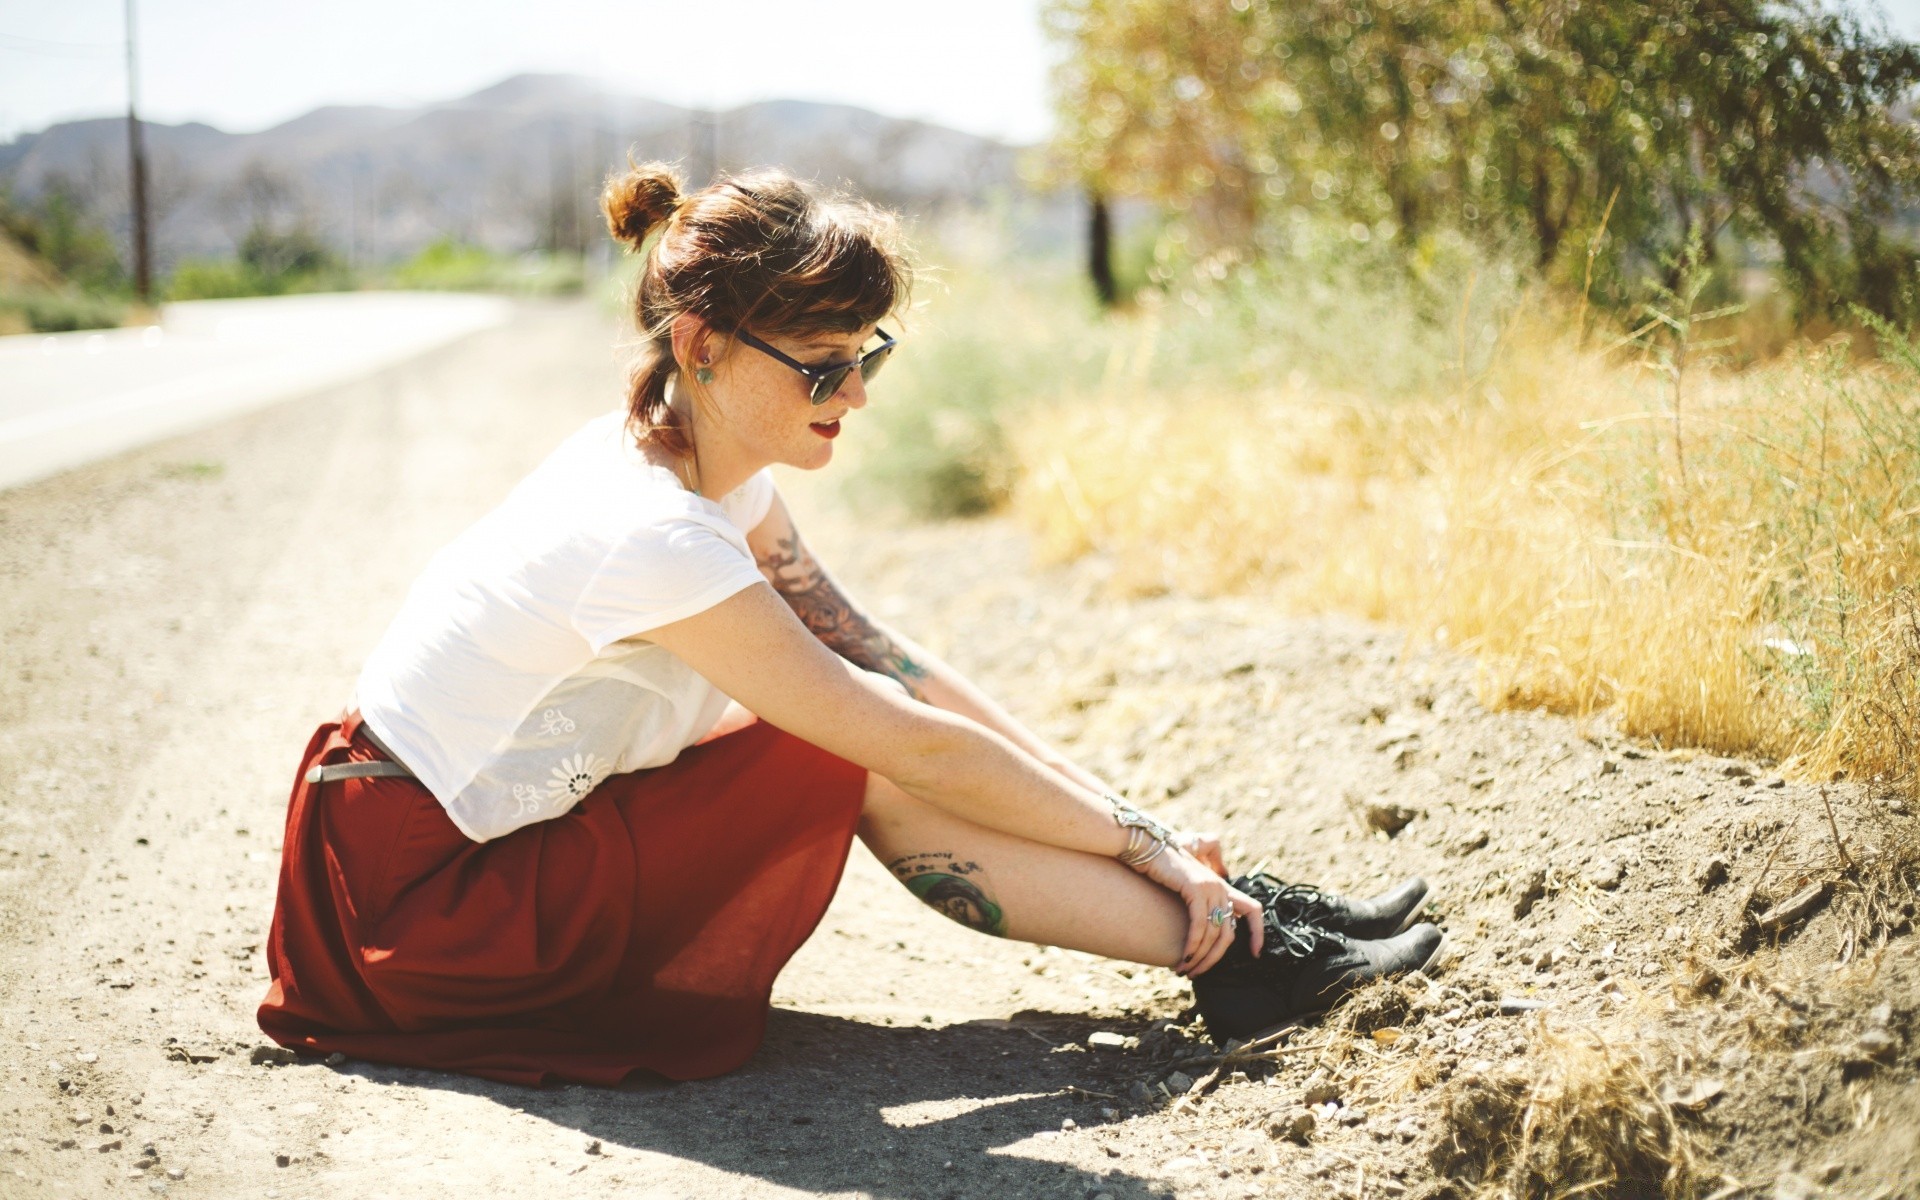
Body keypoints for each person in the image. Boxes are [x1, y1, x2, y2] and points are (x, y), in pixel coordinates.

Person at [256, 163, 1443, 1086]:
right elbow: (905, 742)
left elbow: (896, 662)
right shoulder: (649, 533)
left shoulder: (711, 470)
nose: (860, 393)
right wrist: (1145, 850)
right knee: (840, 747)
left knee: (862, 719)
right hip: (411, 912)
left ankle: (1243, 923)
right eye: (824, 367)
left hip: (461, 847)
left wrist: (1158, 835)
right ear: (702, 346)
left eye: (867, 355)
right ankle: (1240, 955)